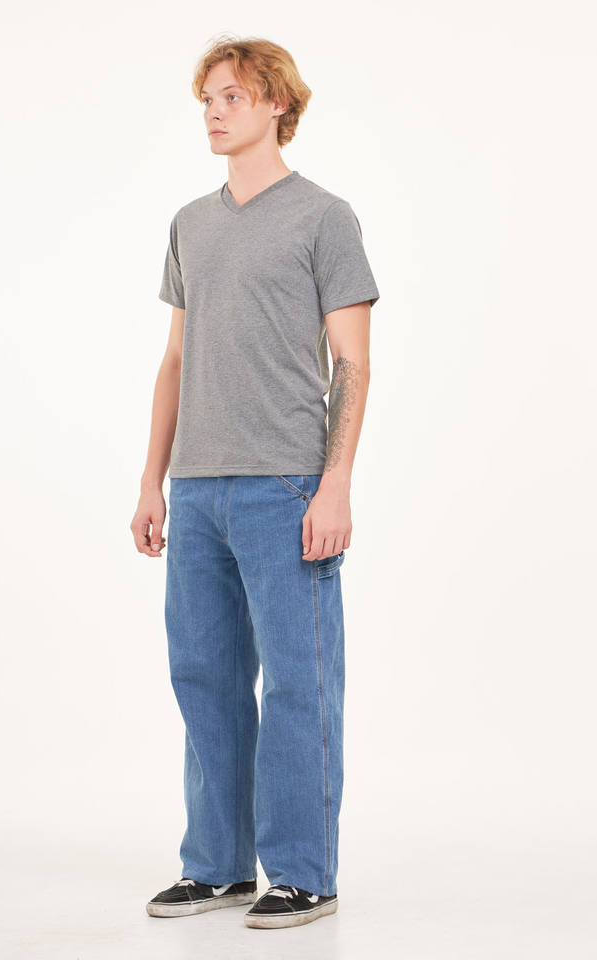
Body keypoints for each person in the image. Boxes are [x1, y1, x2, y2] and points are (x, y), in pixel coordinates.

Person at [130, 35, 379, 930]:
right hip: (198, 488)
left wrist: (334, 484)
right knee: (205, 677)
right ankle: (218, 867)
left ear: (277, 102)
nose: (214, 111)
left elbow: (352, 362)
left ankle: (304, 872)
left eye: (231, 95)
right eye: (207, 98)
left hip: (285, 485)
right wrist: (152, 481)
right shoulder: (189, 224)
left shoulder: (323, 218)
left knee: (300, 684)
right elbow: (175, 360)